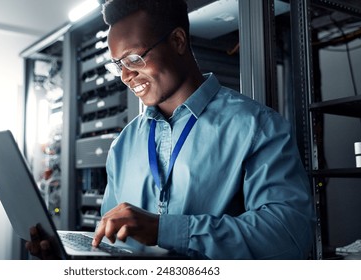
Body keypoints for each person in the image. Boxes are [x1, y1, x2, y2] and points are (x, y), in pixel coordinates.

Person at [27, 0, 315, 259]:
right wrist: (67, 260)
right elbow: (114, 248)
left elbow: (289, 237)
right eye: (118, 65)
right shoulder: (124, 144)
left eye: (134, 59)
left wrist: (166, 230)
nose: (126, 76)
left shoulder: (256, 126)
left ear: (177, 41)